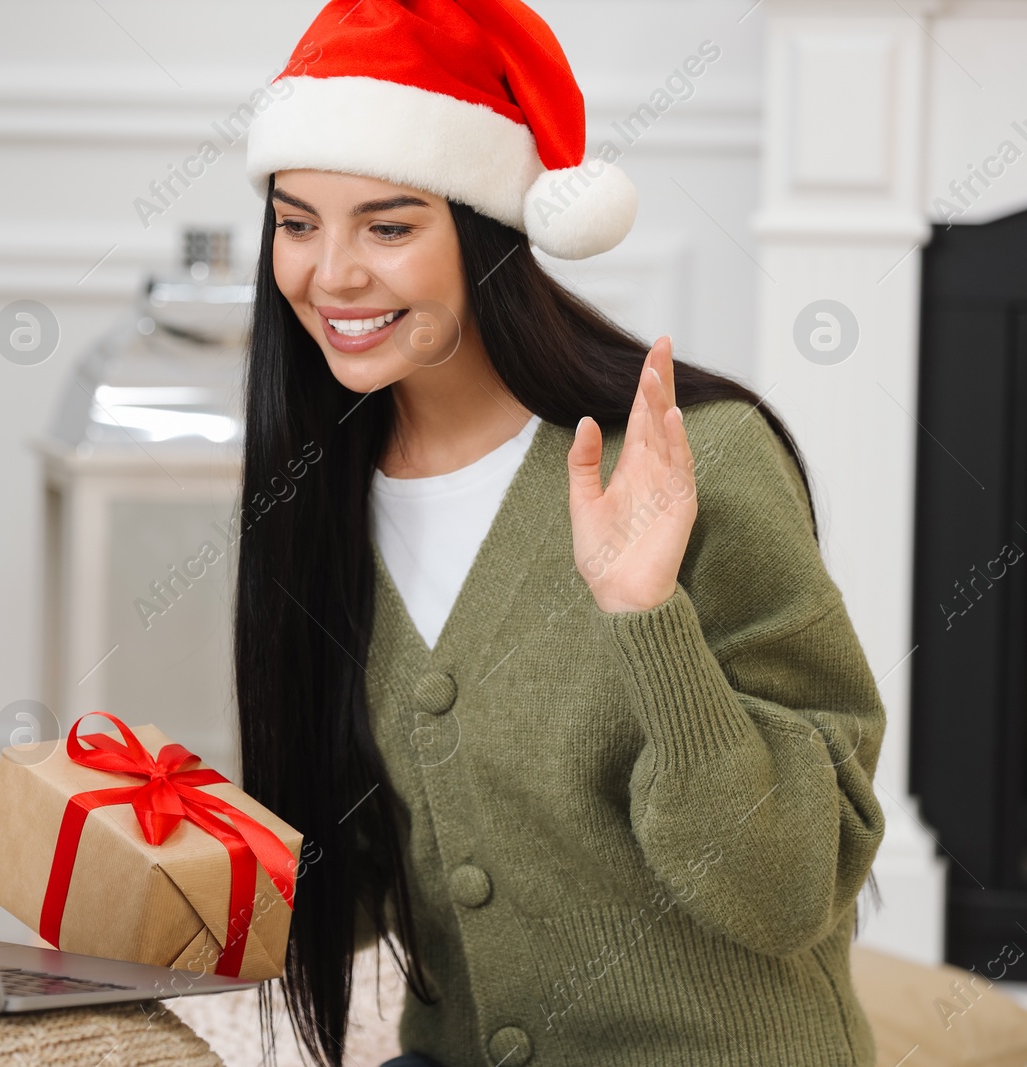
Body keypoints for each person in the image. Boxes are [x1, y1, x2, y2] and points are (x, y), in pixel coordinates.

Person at [231, 2, 887, 1065]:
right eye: (297, 223)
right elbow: (351, 884)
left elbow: (791, 888)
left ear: (486, 233)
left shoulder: (699, 458)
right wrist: (165, 853)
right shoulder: (318, 492)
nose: (331, 275)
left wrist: (646, 618)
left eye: (388, 226)